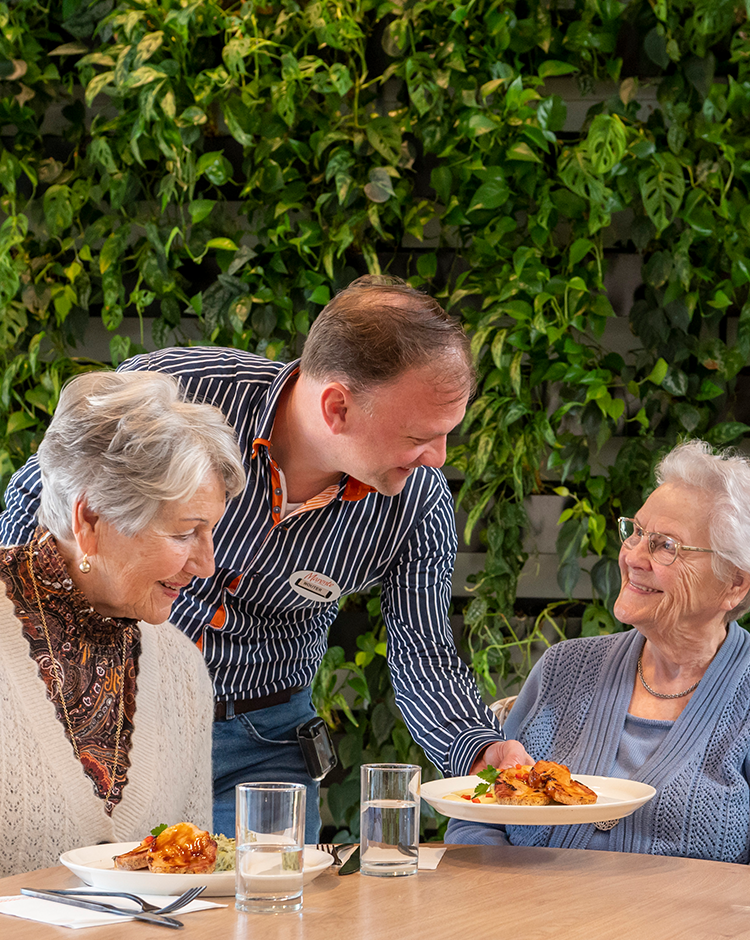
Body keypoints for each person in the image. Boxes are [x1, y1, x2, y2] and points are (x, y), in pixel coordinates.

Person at [0, 276, 529, 842]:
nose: (439, 458)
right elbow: (46, 492)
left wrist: (476, 750)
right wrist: (47, 654)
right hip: (116, 718)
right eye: (421, 435)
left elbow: (423, 652)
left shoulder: (416, 502)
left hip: (266, 746)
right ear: (337, 406)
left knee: (262, 911)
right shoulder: (183, 393)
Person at [445, 439, 750, 864]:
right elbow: (477, 816)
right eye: (637, 532)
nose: (633, 557)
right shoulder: (564, 669)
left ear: (734, 584)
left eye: (666, 546)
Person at [0, 370, 245, 876]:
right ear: (89, 520)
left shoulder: (180, 669)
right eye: (186, 533)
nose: (207, 564)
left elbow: (191, 885)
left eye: (213, 532)